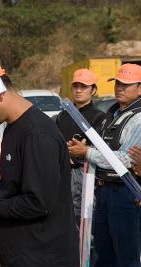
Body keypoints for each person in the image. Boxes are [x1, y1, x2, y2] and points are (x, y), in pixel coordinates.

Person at [0, 57, 79, 267]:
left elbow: (37, 202)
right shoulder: (14, 127)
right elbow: (14, 186)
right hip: (23, 254)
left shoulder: (36, 134)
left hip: (43, 257)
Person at [68, 63, 141, 267]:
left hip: (126, 194)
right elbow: (103, 150)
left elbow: (126, 159)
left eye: (126, 84)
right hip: (104, 192)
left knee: (126, 257)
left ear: (140, 88)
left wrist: (87, 152)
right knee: (103, 254)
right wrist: (82, 150)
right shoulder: (113, 114)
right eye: (117, 82)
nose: (119, 87)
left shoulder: (138, 118)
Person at [55, 68, 105, 224]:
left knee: (83, 220)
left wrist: (83, 151)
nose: (78, 90)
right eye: (75, 86)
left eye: (83, 86)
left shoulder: (99, 117)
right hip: (61, 172)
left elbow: (102, 151)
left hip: (85, 174)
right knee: (61, 216)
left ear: (94, 90)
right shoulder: (62, 115)